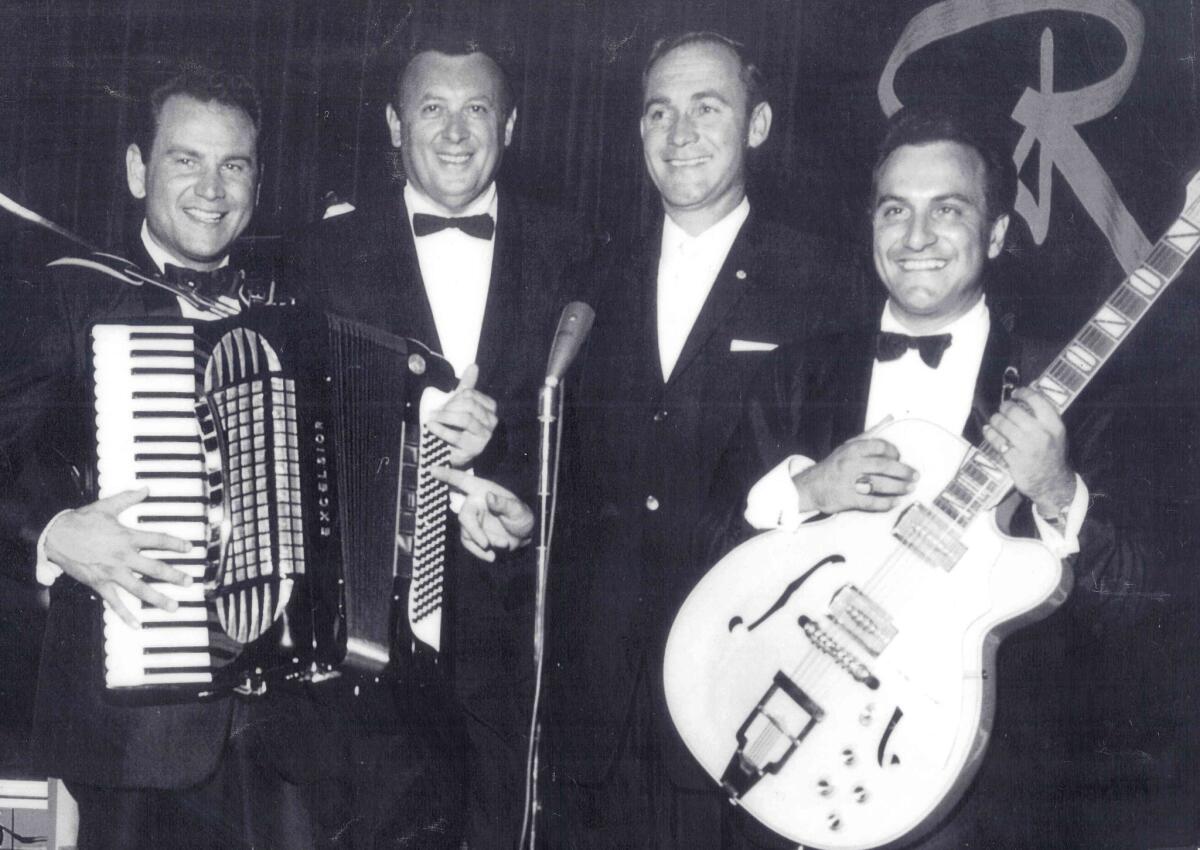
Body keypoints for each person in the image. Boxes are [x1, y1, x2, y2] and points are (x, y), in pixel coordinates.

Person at [702, 103, 1156, 848]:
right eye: (894, 211)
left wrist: (1054, 490)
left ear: (999, 233)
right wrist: (805, 493)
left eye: (948, 211)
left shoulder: (1071, 385)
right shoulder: (797, 375)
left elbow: (1138, 608)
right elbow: (703, 554)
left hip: (976, 800)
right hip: (786, 763)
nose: (916, 239)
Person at [543, 30, 861, 849]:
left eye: (706, 107)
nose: (679, 132)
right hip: (595, 708)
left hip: (741, 692)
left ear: (757, 125)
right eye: (659, 111)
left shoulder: (828, 284)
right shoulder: (589, 273)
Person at [284, 30, 590, 850]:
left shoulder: (578, 251)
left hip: (514, 635)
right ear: (392, 123)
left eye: (477, 110)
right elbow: (293, 430)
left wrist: (515, 487)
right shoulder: (321, 254)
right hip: (367, 643)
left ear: (512, 125)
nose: (455, 132)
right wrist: (409, 427)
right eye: (431, 109)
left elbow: (598, 434)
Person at [1, 67, 320, 850]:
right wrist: (49, 532)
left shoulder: (295, 319)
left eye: (234, 165)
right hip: (130, 736)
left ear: (256, 180)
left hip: (284, 737)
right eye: (186, 160)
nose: (212, 188)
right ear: (139, 169)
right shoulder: (66, 298)